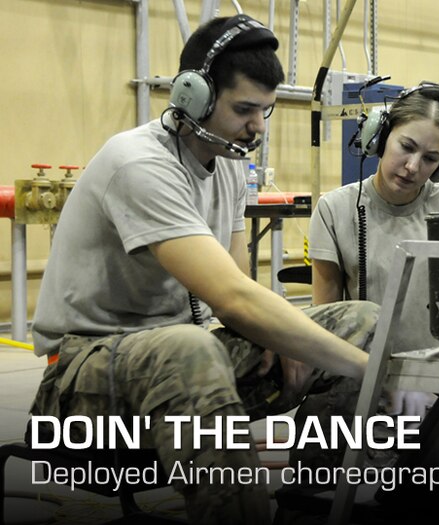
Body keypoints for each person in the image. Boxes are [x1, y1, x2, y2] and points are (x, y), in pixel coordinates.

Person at [29, 15, 377, 525]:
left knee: (360, 321)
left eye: (265, 110)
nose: (258, 127)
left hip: (179, 363)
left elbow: (238, 290)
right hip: (79, 380)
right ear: (192, 97)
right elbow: (232, 300)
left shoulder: (229, 163)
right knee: (190, 348)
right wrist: (373, 372)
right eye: (244, 109)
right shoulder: (138, 164)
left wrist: (287, 335)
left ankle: (310, 502)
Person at [306, 82, 439, 419]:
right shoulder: (335, 210)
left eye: (430, 158)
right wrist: (378, 378)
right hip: (366, 380)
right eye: (406, 147)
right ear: (380, 136)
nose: (413, 166)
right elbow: (325, 325)